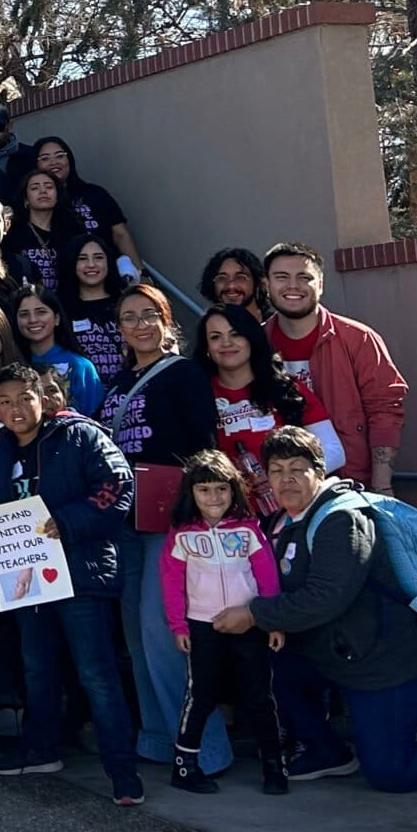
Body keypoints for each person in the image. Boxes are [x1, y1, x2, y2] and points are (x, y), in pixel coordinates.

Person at [234, 426, 417, 793]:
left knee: (392, 775)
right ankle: (327, 753)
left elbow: (325, 597)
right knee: (259, 663)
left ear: (319, 472)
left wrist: (253, 614)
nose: (286, 479)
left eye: (297, 468)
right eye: (276, 470)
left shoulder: (343, 519)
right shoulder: (281, 522)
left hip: (383, 665)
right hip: (333, 656)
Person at [0, 366, 143, 804]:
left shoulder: (80, 437)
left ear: (43, 399)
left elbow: (118, 484)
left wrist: (66, 522)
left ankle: (123, 772)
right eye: (5, 401)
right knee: (37, 670)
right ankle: (42, 749)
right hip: (27, 585)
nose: (16, 408)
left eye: (23, 398)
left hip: (82, 574)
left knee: (97, 675)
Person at [100, 282, 230, 773]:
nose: (138, 325)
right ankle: (159, 736)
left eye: (147, 315)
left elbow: (204, 447)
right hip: (125, 520)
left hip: (169, 522)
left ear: (166, 320)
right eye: (128, 317)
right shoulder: (115, 383)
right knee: (135, 634)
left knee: (165, 633)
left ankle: (205, 748)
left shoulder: (184, 375)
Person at [159, 448, 286, 795]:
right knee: (200, 695)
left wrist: (272, 620)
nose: (214, 497)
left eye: (221, 488)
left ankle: (275, 765)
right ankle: (185, 767)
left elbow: (267, 575)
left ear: (234, 490)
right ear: (191, 494)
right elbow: (171, 581)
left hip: (251, 624)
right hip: (202, 626)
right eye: (204, 490)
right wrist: (178, 626)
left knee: (259, 695)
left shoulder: (248, 529)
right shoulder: (182, 534)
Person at [261, 242, 406, 492]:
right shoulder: (257, 344)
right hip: (278, 493)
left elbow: (384, 410)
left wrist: (382, 487)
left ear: (320, 284)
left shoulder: (358, 339)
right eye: (282, 277)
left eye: (304, 277)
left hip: (350, 484)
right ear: (267, 285)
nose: (293, 286)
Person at [195, 303, 317, 518]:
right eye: (215, 337)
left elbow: (333, 451)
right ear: (206, 346)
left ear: (251, 337)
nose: (226, 343)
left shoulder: (286, 387)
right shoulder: (196, 395)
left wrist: (283, 477)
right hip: (226, 519)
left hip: (292, 513)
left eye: (236, 334)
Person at [32, 136, 142, 268]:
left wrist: (141, 272)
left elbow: (120, 234)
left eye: (60, 156)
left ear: (69, 160)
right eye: (45, 158)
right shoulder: (37, 201)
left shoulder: (94, 193)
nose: (54, 162)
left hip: (107, 270)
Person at [12, 284, 105, 417]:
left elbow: (94, 419)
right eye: (24, 314)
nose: (33, 320)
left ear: (57, 318)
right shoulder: (12, 363)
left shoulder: (80, 366)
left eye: (41, 312)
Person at [61, 231, 128, 388]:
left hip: (127, 390)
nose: (91, 264)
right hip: (83, 392)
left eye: (98, 257)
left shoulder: (126, 302)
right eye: (82, 259)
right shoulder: (61, 307)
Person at [2, 167, 67, 292]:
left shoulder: (69, 231)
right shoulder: (13, 233)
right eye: (35, 188)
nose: (43, 191)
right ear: (26, 199)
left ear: (57, 196)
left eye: (49, 187)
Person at [199, 246, 269, 315]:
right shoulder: (208, 325)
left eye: (240, 278)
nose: (231, 286)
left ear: (257, 283)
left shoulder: (276, 323)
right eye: (222, 278)